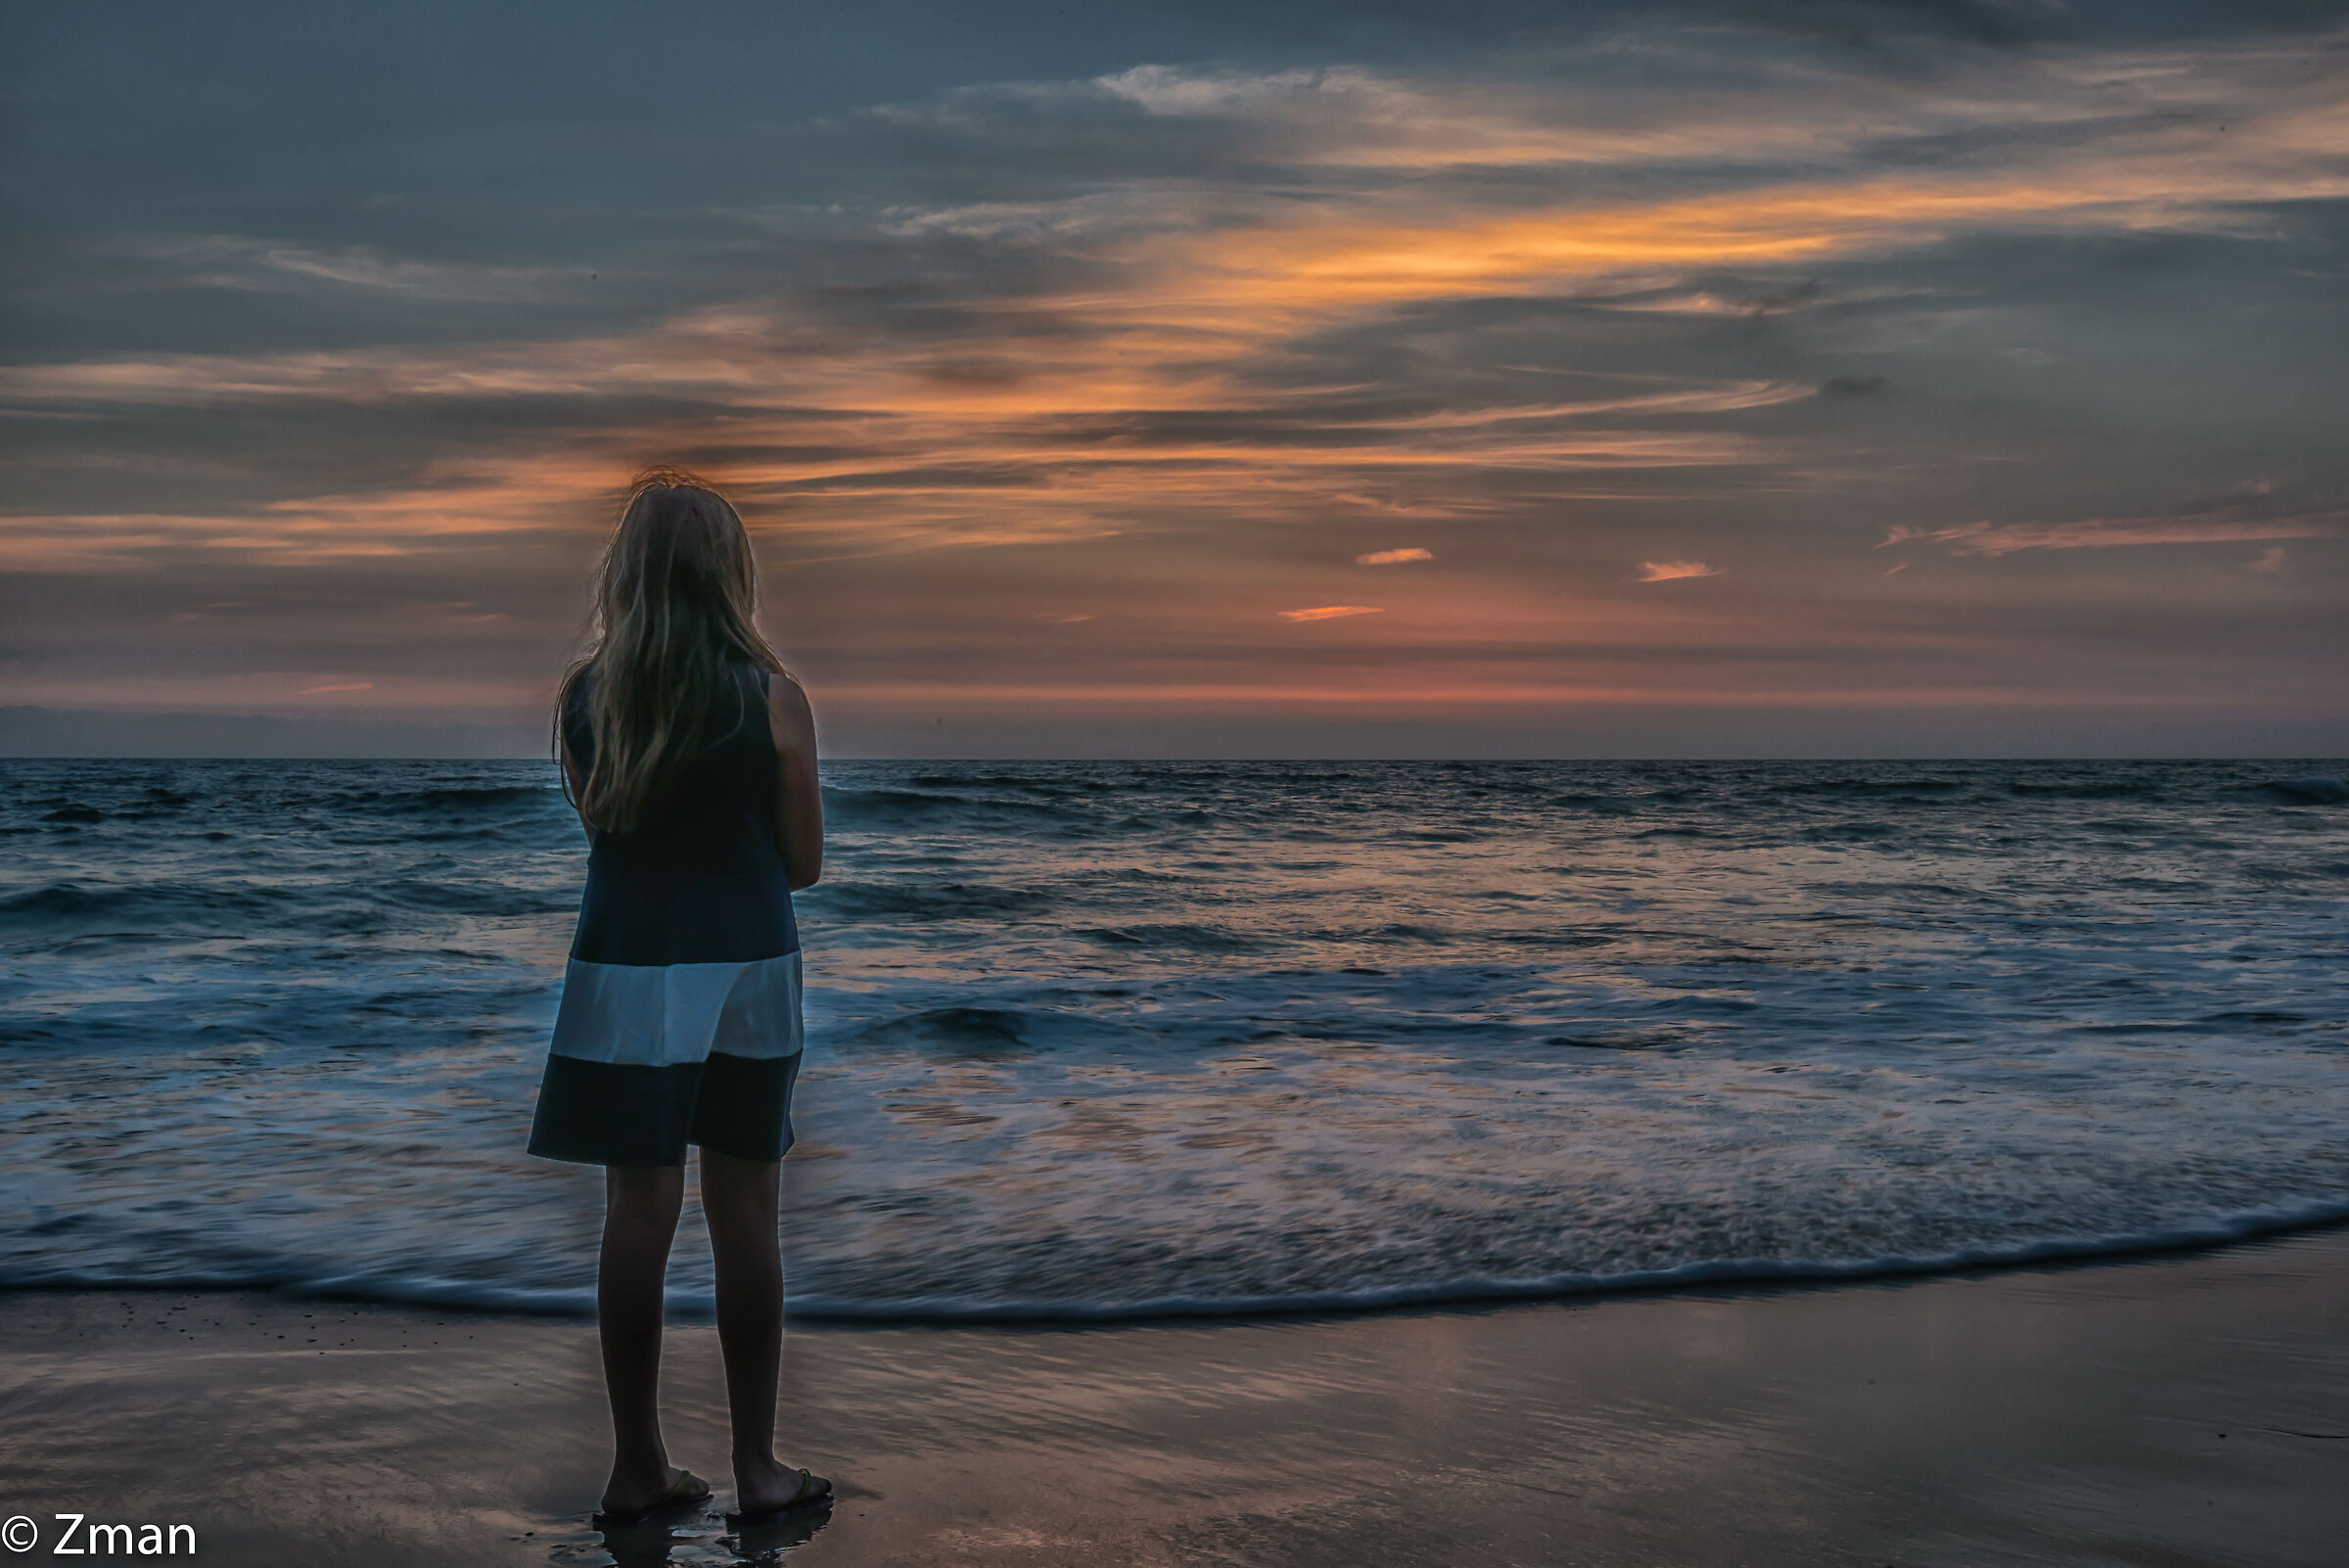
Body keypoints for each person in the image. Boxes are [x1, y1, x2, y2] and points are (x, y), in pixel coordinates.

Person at [527, 467, 833, 1528]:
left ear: (626, 575)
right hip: (746, 962)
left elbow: (608, 833)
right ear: (731, 575)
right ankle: (757, 1467)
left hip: (623, 967)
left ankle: (636, 1467)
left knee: (635, 1212)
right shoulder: (773, 698)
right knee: (747, 1211)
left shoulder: (585, 699)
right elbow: (803, 864)